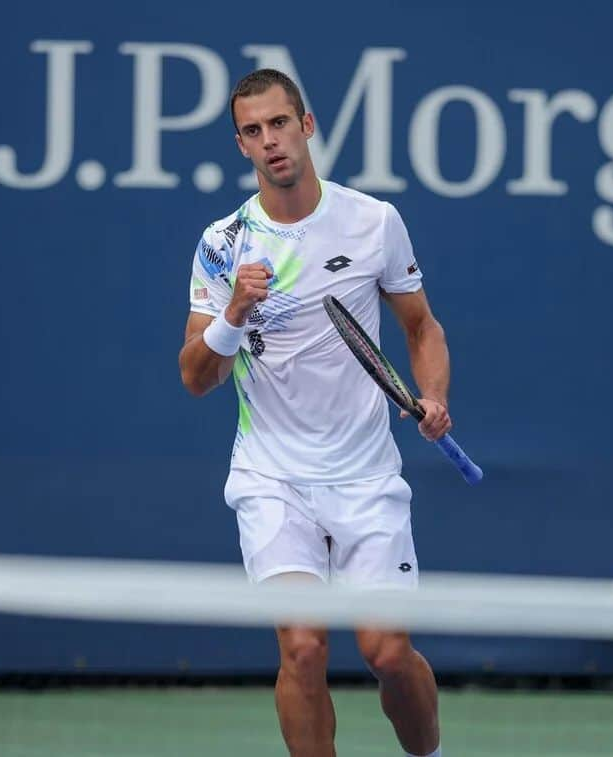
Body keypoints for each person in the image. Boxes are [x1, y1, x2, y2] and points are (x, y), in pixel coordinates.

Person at [179, 68, 450, 757]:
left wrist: (434, 395)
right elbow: (196, 376)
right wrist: (234, 312)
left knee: (388, 654)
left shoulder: (372, 222)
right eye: (252, 130)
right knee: (301, 647)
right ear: (239, 144)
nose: (269, 141)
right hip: (272, 477)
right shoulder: (223, 243)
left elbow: (420, 327)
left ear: (306, 126)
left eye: (278, 124)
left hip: (364, 479)